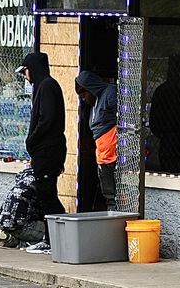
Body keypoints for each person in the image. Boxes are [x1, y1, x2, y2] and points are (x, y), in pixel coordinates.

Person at [16, 52, 65, 255]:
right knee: (46, 194)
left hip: (47, 150)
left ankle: (55, 237)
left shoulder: (46, 86)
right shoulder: (43, 86)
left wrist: (31, 140)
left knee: (48, 195)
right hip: (45, 150)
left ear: (33, 68)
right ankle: (51, 237)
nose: (25, 76)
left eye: (26, 71)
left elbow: (46, 120)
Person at [74, 71, 118, 210]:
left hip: (113, 155)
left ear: (91, 89)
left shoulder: (110, 93)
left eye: (84, 95)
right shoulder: (95, 102)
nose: (84, 99)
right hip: (104, 156)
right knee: (107, 193)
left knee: (112, 196)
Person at [0, 167, 45, 249]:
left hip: (3, 222)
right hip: (21, 226)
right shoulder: (42, 182)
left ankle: (6, 236)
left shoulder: (22, 180)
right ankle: (18, 242)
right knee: (50, 233)